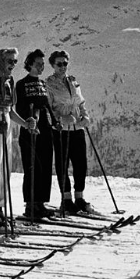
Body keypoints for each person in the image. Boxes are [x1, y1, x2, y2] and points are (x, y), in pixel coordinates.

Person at [0, 48, 36, 229]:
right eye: (9, 61)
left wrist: (24, 124)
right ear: (0, 61)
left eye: (15, 61)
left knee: (5, 168)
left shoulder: (9, 81)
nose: (12, 65)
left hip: (5, 123)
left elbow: (10, 110)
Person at [45, 50, 93, 215]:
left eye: (65, 63)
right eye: (59, 64)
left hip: (77, 128)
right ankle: (66, 199)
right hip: (61, 130)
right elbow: (47, 110)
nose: (62, 67)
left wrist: (85, 116)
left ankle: (79, 197)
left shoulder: (73, 81)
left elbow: (80, 103)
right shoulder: (49, 84)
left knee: (81, 164)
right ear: (53, 65)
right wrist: (60, 118)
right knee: (62, 165)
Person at [15, 49, 59, 219]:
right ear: (30, 64)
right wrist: (29, 120)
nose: (41, 67)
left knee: (45, 166)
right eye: (38, 64)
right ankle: (30, 205)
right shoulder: (22, 84)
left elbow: (47, 105)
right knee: (33, 166)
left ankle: (40, 203)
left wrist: (55, 122)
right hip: (30, 130)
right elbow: (21, 108)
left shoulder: (42, 84)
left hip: (46, 129)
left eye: (42, 64)